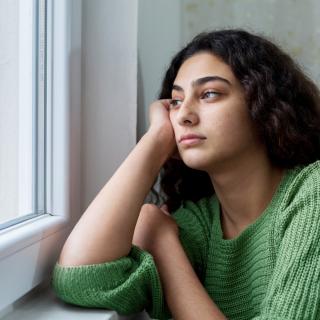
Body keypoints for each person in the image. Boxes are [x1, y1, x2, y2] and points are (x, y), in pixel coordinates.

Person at [51, 29, 320, 320]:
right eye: (176, 101)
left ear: (265, 105)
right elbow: (81, 279)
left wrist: (163, 246)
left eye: (210, 94)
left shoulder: (312, 192)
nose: (183, 115)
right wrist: (155, 140)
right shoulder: (201, 225)